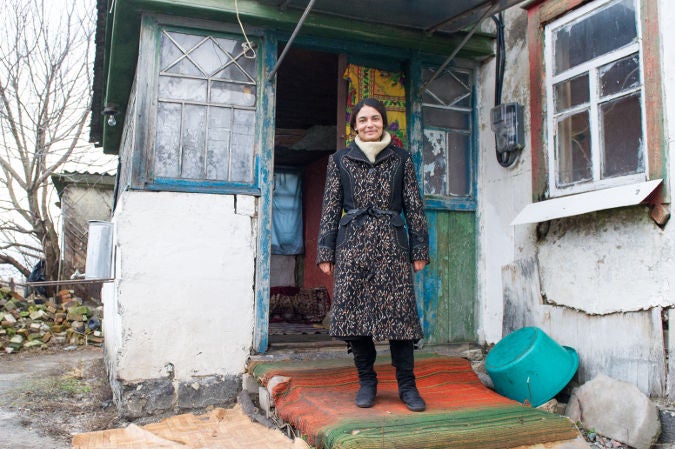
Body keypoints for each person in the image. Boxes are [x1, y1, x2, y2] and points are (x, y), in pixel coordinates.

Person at [316, 98, 429, 412]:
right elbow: (329, 207)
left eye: (375, 119)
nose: (369, 124)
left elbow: (414, 207)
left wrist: (419, 249)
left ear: (384, 123)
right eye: (363, 119)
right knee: (355, 319)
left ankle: (407, 386)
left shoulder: (401, 159)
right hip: (352, 246)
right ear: (355, 126)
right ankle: (367, 381)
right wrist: (326, 250)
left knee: (401, 320)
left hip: (392, 246)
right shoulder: (339, 160)